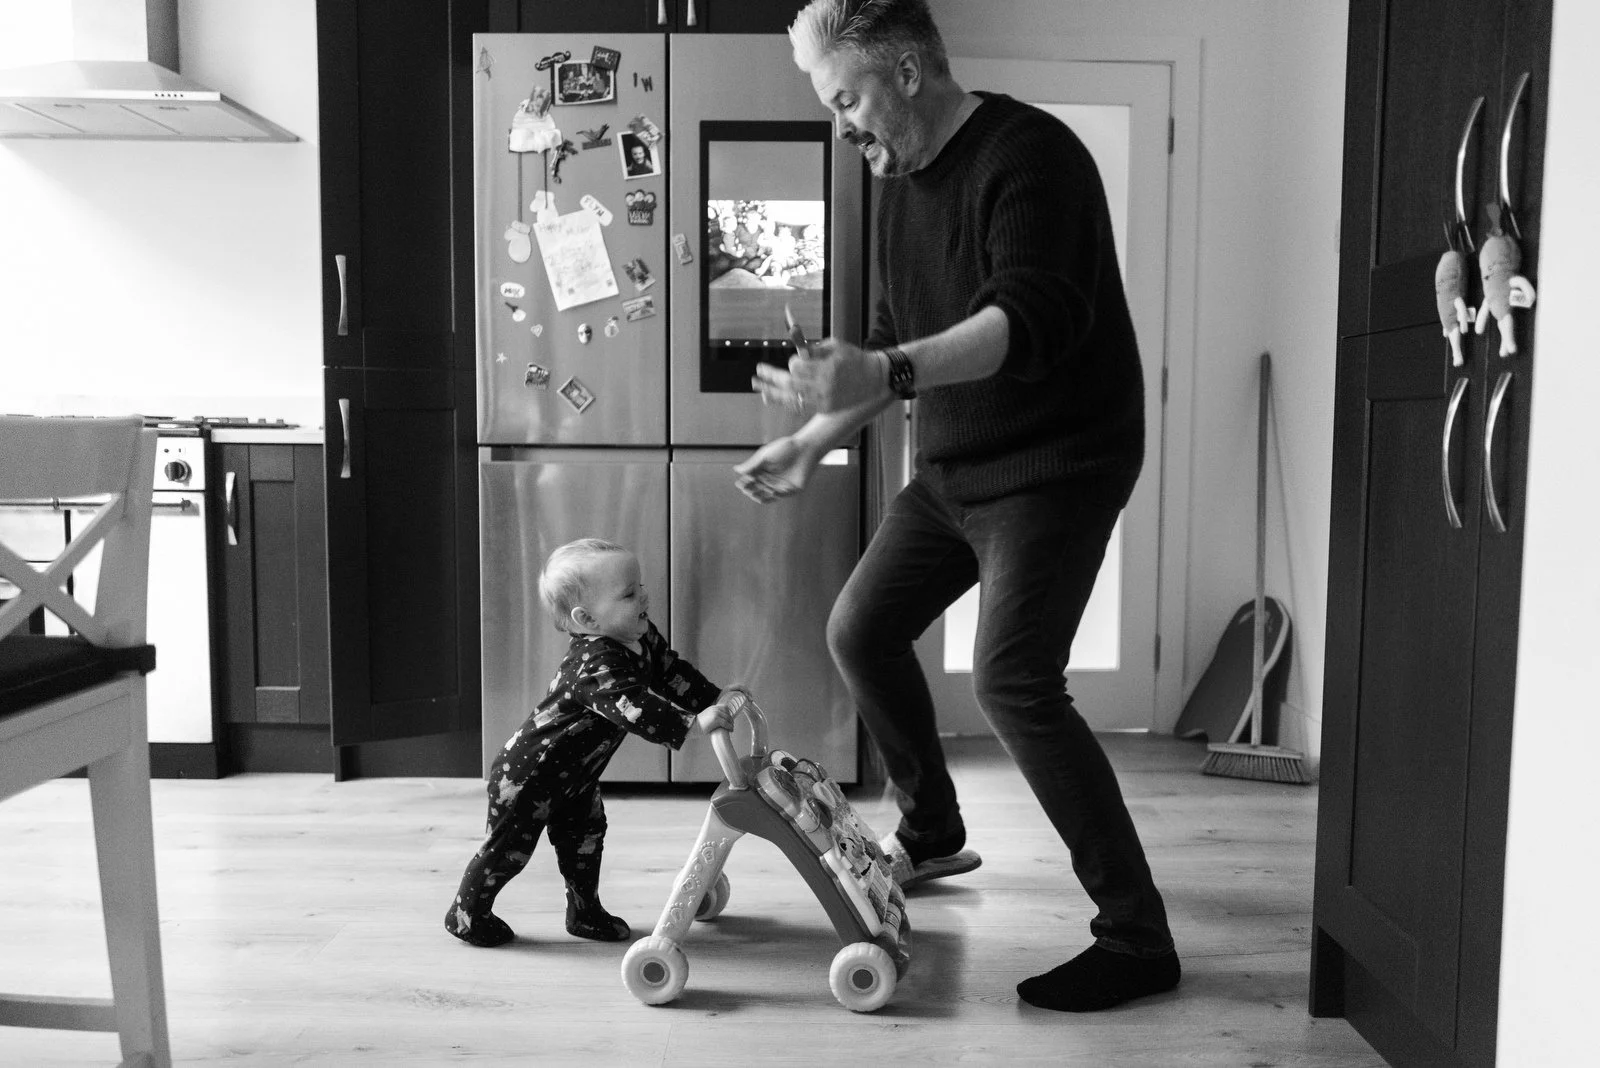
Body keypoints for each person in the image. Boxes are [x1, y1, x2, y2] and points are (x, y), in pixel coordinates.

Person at [734, 0, 1180, 1013]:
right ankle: (931, 831)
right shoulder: (898, 186)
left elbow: (1027, 318)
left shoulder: (1032, 155)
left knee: (1012, 677)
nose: (841, 125)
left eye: (845, 98)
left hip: (1058, 462)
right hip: (952, 470)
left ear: (903, 71)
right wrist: (808, 444)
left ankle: (1137, 935)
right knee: (862, 628)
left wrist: (885, 369)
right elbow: (897, 339)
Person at [444, 538, 733, 948]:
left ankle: (584, 911)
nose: (644, 595)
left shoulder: (641, 637)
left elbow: (671, 671)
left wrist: (711, 699)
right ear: (588, 619)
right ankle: (467, 913)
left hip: (576, 775)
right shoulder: (594, 664)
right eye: (629, 593)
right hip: (528, 775)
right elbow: (634, 706)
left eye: (641, 585)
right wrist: (691, 722)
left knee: (586, 839)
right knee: (509, 850)